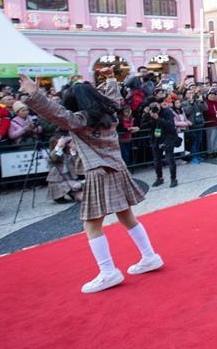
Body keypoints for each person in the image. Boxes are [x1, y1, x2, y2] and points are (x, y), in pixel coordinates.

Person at [20, 71, 163, 293]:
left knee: (91, 224)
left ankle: (108, 272)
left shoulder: (80, 120)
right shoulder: (110, 114)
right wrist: (112, 80)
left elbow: (55, 112)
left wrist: (35, 94)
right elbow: (114, 97)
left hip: (98, 172)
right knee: (126, 216)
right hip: (117, 168)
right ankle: (149, 256)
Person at [147, 104, 179, 188]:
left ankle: (173, 179)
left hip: (167, 139)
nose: (154, 108)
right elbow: (145, 125)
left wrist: (158, 118)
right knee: (157, 161)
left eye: (155, 106)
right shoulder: (150, 114)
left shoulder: (167, 112)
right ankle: (159, 178)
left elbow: (170, 126)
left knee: (170, 160)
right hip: (156, 139)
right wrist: (149, 116)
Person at [46, 134, 83, 203]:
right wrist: (58, 147)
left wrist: (73, 151)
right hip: (58, 182)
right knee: (79, 190)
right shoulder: (55, 154)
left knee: (83, 196)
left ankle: (73, 194)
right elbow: (52, 159)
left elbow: (77, 165)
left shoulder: (68, 154)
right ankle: (59, 196)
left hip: (70, 180)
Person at [204, 90, 217, 156]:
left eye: (214, 95)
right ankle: (210, 152)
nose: (212, 96)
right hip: (210, 124)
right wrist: (214, 113)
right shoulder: (206, 103)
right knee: (211, 139)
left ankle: (216, 150)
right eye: (211, 95)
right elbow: (206, 112)